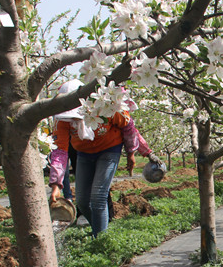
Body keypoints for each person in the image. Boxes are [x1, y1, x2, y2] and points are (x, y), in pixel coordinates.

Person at [47, 79, 157, 237]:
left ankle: (101, 239)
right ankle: (100, 232)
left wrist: (134, 153)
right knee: (83, 201)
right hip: (84, 152)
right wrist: (56, 186)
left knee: (98, 196)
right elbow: (60, 151)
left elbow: (129, 127)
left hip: (109, 149)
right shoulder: (63, 120)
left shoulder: (107, 106)